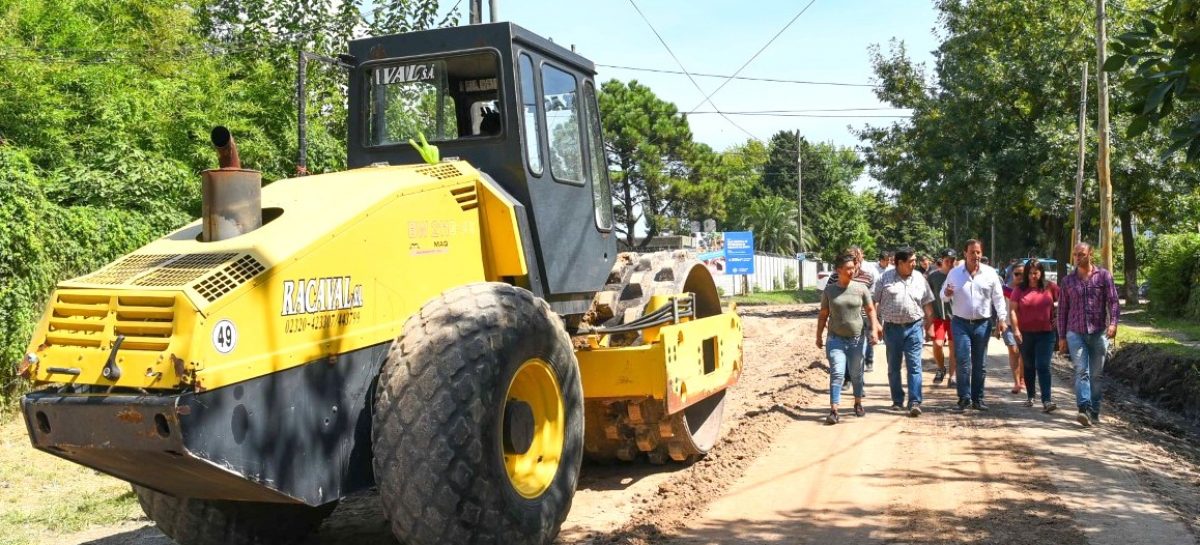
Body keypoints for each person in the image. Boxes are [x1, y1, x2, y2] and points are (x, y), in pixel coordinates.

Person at [940, 239, 1008, 411]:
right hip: (960, 323)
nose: (976, 256)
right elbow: (943, 295)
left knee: (980, 363)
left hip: (982, 324)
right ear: (965, 253)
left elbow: (998, 298)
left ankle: (978, 398)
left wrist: (1002, 319)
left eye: (978, 252)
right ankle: (964, 398)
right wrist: (947, 293)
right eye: (972, 252)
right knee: (963, 361)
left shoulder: (990, 273)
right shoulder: (955, 273)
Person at [1058, 242, 1120, 427]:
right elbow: (1062, 310)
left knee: (1096, 375)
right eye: (1075, 254)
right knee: (1081, 371)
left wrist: (1114, 323)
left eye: (1081, 254)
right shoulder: (1068, 281)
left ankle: (1095, 411)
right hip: (1075, 333)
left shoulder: (1103, 276)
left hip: (1098, 332)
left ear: (1090, 254)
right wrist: (1061, 337)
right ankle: (1083, 408)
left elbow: (1114, 302)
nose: (1078, 257)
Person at [817, 254, 882, 425]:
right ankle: (834, 410)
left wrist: (874, 329)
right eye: (848, 268)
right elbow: (823, 314)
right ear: (838, 270)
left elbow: (870, 310)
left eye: (853, 268)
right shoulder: (830, 291)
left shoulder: (861, 288)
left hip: (856, 340)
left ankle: (858, 403)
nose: (852, 271)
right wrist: (818, 336)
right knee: (837, 372)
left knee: (856, 374)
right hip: (835, 339)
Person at [874, 247, 935, 416]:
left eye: (915, 260)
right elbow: (873, 303)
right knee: (894, 367)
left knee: (914, 365)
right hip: (892, 329)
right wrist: (876, 325)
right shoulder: (884, 279)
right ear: (900, 263)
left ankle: (915, 401)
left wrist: (930, 325)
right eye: (911, 261)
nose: (914, 264)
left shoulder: (920, 279)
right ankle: (897, 400)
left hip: (914, 327)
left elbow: (928, 303)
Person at [1010, 258, 1059, 412]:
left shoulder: (1050, 287)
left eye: (1036, 273)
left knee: (1043, 365)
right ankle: (1031, 396)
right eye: (1030, 273)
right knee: (1029, 365)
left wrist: (1059, 317)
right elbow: (1012, 310)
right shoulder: (1020, 289)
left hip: (1046, 333)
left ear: (1041, 273)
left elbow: (1064, 301)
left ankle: (1047, 400)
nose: (1033, 276)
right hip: (1025, 334)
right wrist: (1016, 330)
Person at [926, 249, 957, 387]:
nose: (950, 263)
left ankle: (953, 376)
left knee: (953, 347)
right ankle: (941, 368)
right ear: (942, 261)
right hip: (938, 316)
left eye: (952, 261)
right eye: (947, 261)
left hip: (955, 317)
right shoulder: (933, 277)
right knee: (938, 345)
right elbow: (927, 298)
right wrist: (928, 320)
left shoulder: (959, 275)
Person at [998, 263, 1025, 395]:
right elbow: (1000, 307)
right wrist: (1000, 322)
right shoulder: (1005, 289)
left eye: (1022, 274)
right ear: (1011, 274)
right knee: (1013, 351)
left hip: (1025, 326)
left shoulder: (1029, 289)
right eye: (1017, 274)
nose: (1020, 276)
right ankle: (1016, 382)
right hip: (1008, 325)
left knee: (1023, 353)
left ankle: (1023, 378)